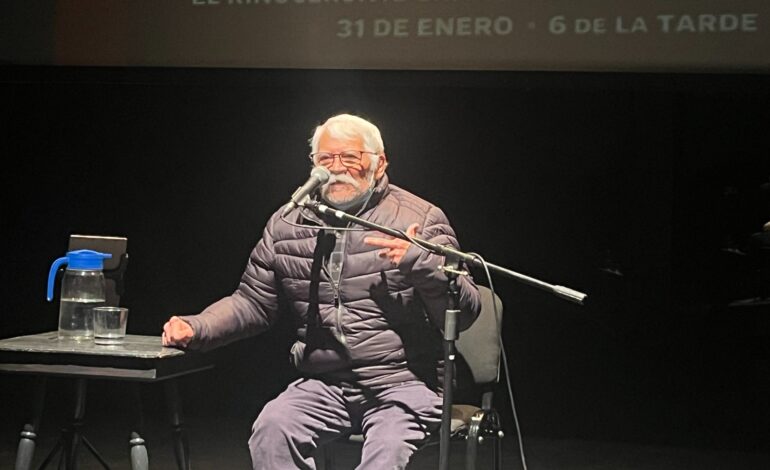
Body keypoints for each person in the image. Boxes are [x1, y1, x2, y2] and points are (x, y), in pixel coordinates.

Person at [162, 113, 481, 469]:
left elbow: (464, 311)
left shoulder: (419, 218)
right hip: (325, 383)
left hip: (406, 384)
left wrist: (420, 262)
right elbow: (253, 302)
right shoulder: (288, 223)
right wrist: (198, 326)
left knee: (386, 453)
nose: (337, 168)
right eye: (326, 159)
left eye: (350, 157)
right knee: (272, 430)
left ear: (379, 164)